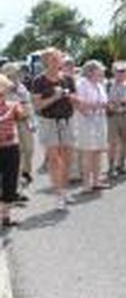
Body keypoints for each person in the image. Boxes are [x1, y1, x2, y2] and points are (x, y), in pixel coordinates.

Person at [31, 48, 77, 211]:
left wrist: (70, 97)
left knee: (67, 158)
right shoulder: (39, 81)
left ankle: (64, 191)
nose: (56, 62)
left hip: (67, 120)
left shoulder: (68, 79)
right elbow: (37, 106)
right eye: (52, 59)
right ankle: (58, 194)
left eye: (58, 59)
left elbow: (75, 99)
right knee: (54, 159)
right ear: (45, 62)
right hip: (48, 122)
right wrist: (55, 97)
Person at [75, 60, 109, 192]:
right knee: (88, 152)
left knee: (98, 151)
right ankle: (86, 184)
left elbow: (104, 102)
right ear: (90, 71)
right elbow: (79, 104)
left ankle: (96, 181)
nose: (102, 72)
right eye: (99, 69)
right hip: (86, 121)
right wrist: (95, 106)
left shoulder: (99, 85)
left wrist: (104, 105)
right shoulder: (82, 84)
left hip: (100, 120)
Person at [0, 62, 35, 188]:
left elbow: (29, 104)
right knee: (16, 154)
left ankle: (25, 173)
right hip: (11, 124)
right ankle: (16, 185)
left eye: (17, 73)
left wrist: (32, 121)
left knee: (29, 149)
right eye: (13, 74)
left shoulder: (22, 87)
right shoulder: (3, 88)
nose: (16, 76)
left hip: (25, 121)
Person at [0, 74, 28, 228]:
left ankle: (5, 216)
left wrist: (19, 105)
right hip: (7, 147)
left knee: (10, 182)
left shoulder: (12, 105)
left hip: (10, 147)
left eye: (3, 91)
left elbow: (23, 116)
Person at [107, 61, 126, 176]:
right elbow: (105, 100)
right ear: (113, 72)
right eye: (118, 71)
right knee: (112, 142)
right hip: (112, 116)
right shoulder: (108, 84)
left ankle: (121, 165)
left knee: (124, 141)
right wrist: (114, 104)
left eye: (122, 72)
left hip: (125, 115)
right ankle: (111, 167)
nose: (120, 74)